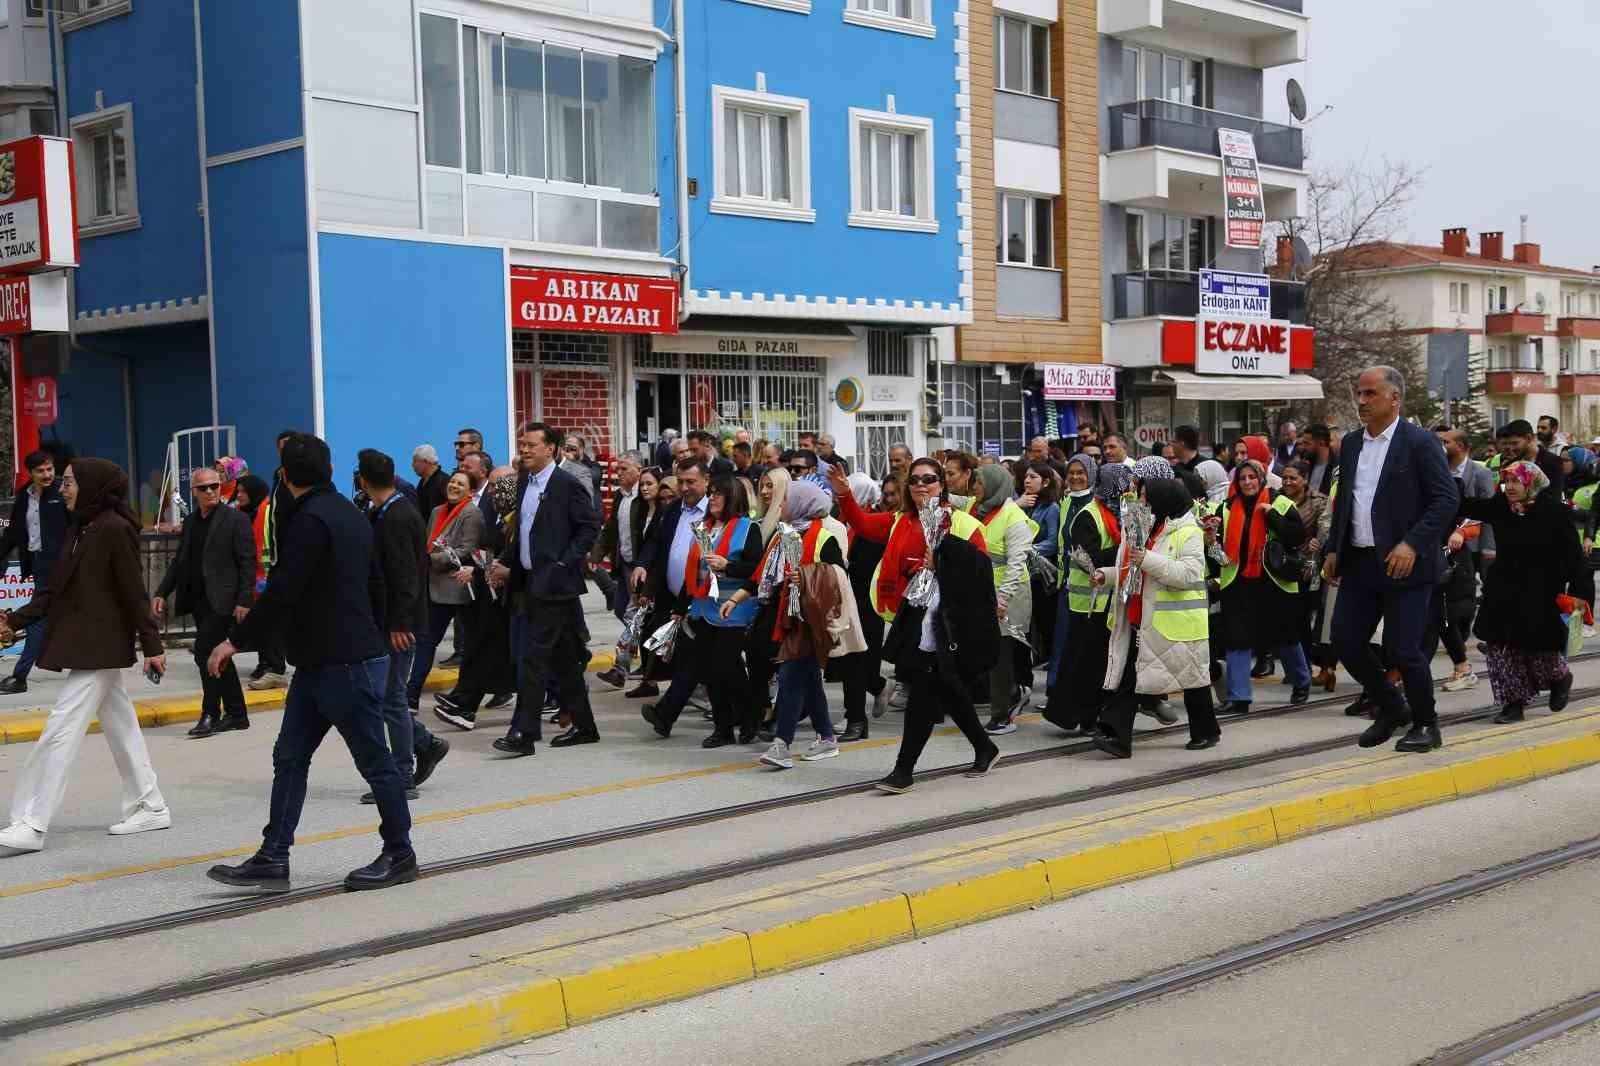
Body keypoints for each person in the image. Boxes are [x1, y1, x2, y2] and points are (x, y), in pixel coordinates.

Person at [205, 435, 414, 890]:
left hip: (343, 662)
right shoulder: (350, 514)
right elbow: (377, 583)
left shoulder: (311, 521)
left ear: (285, 476)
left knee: (375, 763)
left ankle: (400, 853)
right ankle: (273, 856)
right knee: (290, 757)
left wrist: (233, 641)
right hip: (324, 661)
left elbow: (283, 592)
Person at [0, 460, 171, 856]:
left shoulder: (114, 528)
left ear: (93, 485)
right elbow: (55, 590)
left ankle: (32, 822)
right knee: (121, 726)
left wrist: (153, 646)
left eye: (71, 482)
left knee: (59, 731)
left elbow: (133, 592)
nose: (63, 488)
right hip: (88, 646)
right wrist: (12, 620)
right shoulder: (81, 527)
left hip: (101, 647)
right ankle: (151, 804)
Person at [836, 458, 998, 794]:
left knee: (926, 693)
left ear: (942, 484)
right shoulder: (901, 520)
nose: (921, 485)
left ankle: (903, 771)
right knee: (945, 691)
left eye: (929, 479)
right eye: (915, 480)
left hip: (949, 624)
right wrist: (844, 497)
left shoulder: (964, 524)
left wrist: (943, 559)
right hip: (915, 618)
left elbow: (981, 573)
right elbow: (864, 525)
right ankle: (984, 747)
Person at [1324, 366, 1459, 753]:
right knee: (1345, 642)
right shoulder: (1350, 444)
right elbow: (1345, 502)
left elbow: (1445, 499)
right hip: (1361, 563)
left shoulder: (1418, 443)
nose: (1362, 402)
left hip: (1406, 564)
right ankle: (1391, 705)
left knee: (1402, 649)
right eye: (1360, 394)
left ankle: (1426, 724)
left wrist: (1412, 544)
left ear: (1394, 398)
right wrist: (1335, 547)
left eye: (1371, 394)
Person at [488, 423, 603, 754]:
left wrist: (563, 563)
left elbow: (589, 527)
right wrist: (507, 562)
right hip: (528, 583)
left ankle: (523, 733)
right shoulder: (526, 481)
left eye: (531, 445)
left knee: (533, 661)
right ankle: (584, 725)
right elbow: (524, 531)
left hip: (555, 586)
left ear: (550, 448)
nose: (524, 450)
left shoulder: (566, 484)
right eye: (522, 444)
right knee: (564, 660)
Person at [1087, 477, 1219, 757]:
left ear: (1164, 499)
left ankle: (1206, 731)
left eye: (1147, 497)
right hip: (1145, 617)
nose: (1142, 502)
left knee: (1193, 681)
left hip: (1177, 624)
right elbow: (1132, 567)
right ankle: (1116, 735)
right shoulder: (1149, 528)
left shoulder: (1188, 532)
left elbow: (1189, 574)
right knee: (1132, 678)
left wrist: (1146, 559)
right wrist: (1107, 576)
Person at [728, 481, 856, 768]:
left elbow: (838, 576)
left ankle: (781, 744)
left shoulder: (824, 537)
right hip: (786, 619)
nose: (781, 506)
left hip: (809, 621)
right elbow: (760, 576)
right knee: (809, 681)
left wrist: (808, 577)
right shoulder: (781, 536)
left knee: (789, 677)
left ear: (802, 504)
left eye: (785, 501)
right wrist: (735, 600)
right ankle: (826, 738)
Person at [358, 450, 450, 803]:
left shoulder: (397, 516)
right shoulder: (383, 511)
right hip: (387, 620)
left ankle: (401, 775)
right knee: (385, 697)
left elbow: (405, 577)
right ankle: (425, 743)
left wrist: (400, 623)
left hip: (400, 625)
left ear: (364, 481)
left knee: (392, 698)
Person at [1458, 461, 1580, 722]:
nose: (1510, 487)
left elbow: (1573, 556)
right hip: (1503, 589)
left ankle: (1560, 677)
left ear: (1531, 482)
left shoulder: (1554, 511)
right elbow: (1467, 505)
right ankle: (1512, 704)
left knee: (1539, 651)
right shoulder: (1501, 506)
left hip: (1542, 591)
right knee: (1500, 649)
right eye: (1507, 481)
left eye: (1516, 481)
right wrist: (1449, 484)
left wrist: (1580, 593)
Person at [153, 465, 256, 738]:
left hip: (224, 600)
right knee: (219, 657)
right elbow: (179, 562)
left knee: (204, 653)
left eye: (215, 486)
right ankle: (237, 713)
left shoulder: (235, 520)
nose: (210, 491)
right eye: (204, 488)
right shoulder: (190, 523)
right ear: (194, 492)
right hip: (198, 599)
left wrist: (244, 601)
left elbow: (248, 564)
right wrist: (162, 592)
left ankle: (210, 713)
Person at [1213, 458, 1312, 712]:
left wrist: (1272, 516)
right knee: (1237, 638)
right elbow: (1217, 554)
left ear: (1261, 478)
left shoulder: (1280, 502)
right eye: (1242, 478)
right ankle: (1239, 698)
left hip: (1274, 583)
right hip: (1238, 583)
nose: (1247, 482)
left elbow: (1298, 536)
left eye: (1252, 477)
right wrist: (1208, 539)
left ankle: (1301, 682)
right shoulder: (1225, 508)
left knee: (1286, 637)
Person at [678, 477, 763, 747]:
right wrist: (680, 607)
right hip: (703, 609)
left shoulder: (749, 528)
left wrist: (728, 565)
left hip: (734, 609)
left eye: (718, 494)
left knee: (725, 666)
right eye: (711, 494)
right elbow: (693, 571)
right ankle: (723, 728)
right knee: (711, 672)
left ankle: (750, 715)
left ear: (733, 497)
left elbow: (757, 570)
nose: (712, 498)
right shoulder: (704, 528)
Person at [1043, 456, 1122, 734]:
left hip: (1094, 597)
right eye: (1071, 472)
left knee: (1082, 659)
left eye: (1081, 472)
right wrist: (1124, 553)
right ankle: (1079, 715)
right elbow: (1081, 555)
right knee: (1083, 660)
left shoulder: (1105, 511)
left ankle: (1077, 714)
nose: (1075, 477)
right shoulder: (1086, 511)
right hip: (1087, 598)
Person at [407, 469, 484, 704]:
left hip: (458, 588)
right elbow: (428, 544)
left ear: (470, 491)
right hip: (433, 587)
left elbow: (468, 550)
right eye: (452, 482)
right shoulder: (436, 511)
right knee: (426, 641)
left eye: (460, 484)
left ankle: (467, 694)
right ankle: (411, 695)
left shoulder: (472, 514)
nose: (454, 486)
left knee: (470, 645)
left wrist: (432, 559)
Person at [969, 464, 1036, 734]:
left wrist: (1003, 598)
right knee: (989, 653)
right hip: (984, 595)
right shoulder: (978, 511)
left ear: (995, 486)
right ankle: (1014, 691)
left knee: (1001, 657)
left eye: (979, 484)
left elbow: (1017, 562)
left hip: (1009, 596)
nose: (974, 488)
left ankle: (1002, 715)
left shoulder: (1013, 517)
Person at [0, 451, 69, 694]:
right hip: (39, 566)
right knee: (48, 619)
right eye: (41, 470)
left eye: (49, 469)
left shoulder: (63, 492)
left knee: (37, 621)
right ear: (30, 473)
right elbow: (14, 534)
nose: (47, 474)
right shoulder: (24, 497)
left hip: (63, 567)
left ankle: (19, 676)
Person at [832, 473, 892, 741]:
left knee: (860, 662)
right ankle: (855, 714)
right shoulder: (841, 523)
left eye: (894, 494)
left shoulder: (878, 525)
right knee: (851, 662)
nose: (889, 499)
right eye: (887, 494)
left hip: (870, 602)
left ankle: (859, 713)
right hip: (847, 599)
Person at [1438, 426, 1496, 691]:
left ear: (1460, 446)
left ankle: (1467, 656)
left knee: (1468, 596)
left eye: (1445, 441)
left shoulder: (1480, 472)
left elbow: (1490, 511)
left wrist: (1488, 546)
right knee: (1450, 606)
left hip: (1472, 543)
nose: (1441, 446)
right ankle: (1461, 662)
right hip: (1448, 547)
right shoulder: (1440, 472)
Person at [1278, 461, 1331, 692]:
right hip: (1282, 567)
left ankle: (1317, 665)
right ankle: (1301, 667)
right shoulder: (1277, 500)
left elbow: (1323, 533)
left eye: (1293, 478)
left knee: (1306, 620)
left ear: (1304, 479)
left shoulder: (1318, 502)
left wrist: (1315, 550)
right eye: (1285, 478)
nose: (1288, 482)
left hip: (1309, 569)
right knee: (1291, 621)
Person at [1496, 419, 1565, 498]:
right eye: (1509, 444)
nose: (1511, 448)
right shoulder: (1511, 465)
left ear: (1528, 438)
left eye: (1515, 443)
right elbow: (1501, 493)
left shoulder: (1552, 462)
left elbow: (1554, 496)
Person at [412, 445, 449, 526]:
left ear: (425, 462)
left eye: (415, 461)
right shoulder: (422, 482)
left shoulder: (444, 482)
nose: (412, 465)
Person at [1296, 425, 1336, 496]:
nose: (1303, 447)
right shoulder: (1305, 466)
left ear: (1321, 443)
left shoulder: (1338, 469)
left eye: (1307, 443)